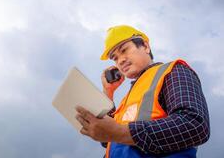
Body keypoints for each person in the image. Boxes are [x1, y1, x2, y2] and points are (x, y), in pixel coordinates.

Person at [75, 25, 210, 158]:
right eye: (115, 58)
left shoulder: (172, 71)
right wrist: (108, 92)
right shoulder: (129, 97)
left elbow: (195, 125)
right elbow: (110, 140)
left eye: (124, 50)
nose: (120, 60)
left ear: (145, 46)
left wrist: (120, 132)